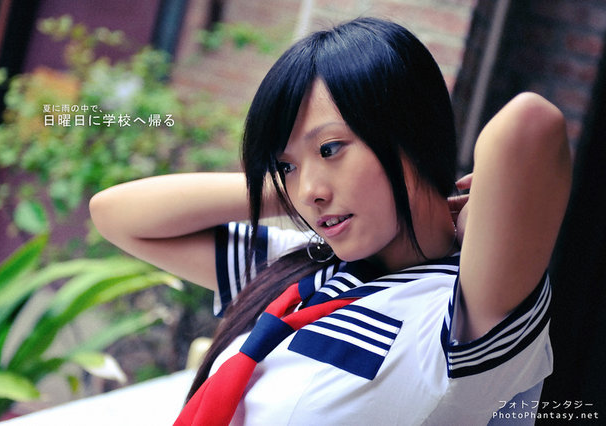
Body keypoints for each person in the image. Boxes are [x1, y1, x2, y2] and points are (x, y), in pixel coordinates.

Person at [89, 17, 571, 425]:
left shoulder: (464, 312)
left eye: (330, 148)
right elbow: (116, 214)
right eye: (287, 166)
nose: (308, 190)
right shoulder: (303, 269)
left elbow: (530, 124)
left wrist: (477, 204)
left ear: (409, 134)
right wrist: (285, 192)